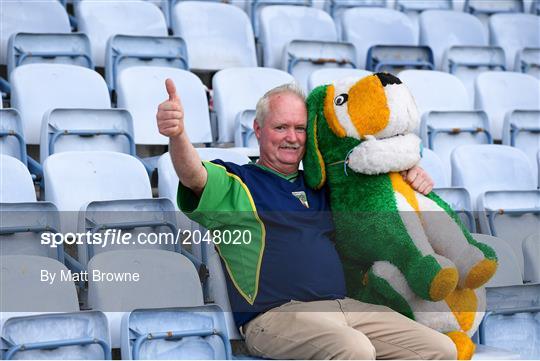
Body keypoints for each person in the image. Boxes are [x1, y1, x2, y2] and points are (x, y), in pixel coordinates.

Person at [156, 79, 457, 360]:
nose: (292, 137)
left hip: (347, 308)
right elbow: (194, 175)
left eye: (300, 129)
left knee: (440, 349)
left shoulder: (320, 183)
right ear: (258, 130)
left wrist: (409, 174)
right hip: (274, 317)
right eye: (281, 127)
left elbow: (375, 190)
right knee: (354, 349)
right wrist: (178, 135)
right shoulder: (239, 181)